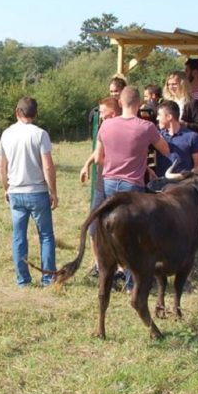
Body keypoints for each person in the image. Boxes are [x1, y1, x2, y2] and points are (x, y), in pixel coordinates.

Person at [95, 86, 170, 290]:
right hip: (132, 185)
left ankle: (108, 277)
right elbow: (165, 148)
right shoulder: (146, 127)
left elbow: (98, 158)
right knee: (134, 237)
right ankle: (131, 284)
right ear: (139, 104)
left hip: (109, 182)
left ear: (120, 102)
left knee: (112, 232)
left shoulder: (106, 126)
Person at [0, 97, 58, 288]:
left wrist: (6, 188)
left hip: (16, 192)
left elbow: (1, 165)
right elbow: (47, 166)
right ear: (35, 114)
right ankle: (48, 278)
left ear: (17, 112)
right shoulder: (40, 134)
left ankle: (23, 280)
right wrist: (53, 191)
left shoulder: (6, 134)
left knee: (18, 236)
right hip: (38, 191)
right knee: (46, 235)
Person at [80, 96, 121, 277]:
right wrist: (87, 164)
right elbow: (97, 155)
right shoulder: (103, 128)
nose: (100, 115)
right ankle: (100, 265)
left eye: (102, 112)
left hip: (113, 182)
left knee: (112, 228)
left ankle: (118, 267)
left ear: (112, 113)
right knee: (94, 227)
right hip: (101, 183)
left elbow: (100, 157)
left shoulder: (117, 128)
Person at [147, 100, 198, 192]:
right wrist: (149, 170)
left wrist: (188, 180)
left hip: (183, 187)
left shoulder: (192, 137)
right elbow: (140, 152)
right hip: (161, 187)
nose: (157, 118)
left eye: (159, 115)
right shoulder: (157, 137)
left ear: (169, 117)